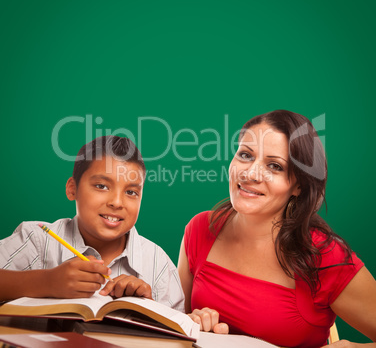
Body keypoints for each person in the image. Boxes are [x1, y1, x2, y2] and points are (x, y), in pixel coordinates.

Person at [178, 110, 376, 347]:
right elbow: (175, 326)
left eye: (274, 166)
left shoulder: (324, 255)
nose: (251, 173)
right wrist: (191, 322)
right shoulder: (200, 229)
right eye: (245, 155)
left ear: (298, 186)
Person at [0, 135, 184, 311]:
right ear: (73, 189)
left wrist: (148, 307)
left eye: (131, 192)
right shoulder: (37, 240)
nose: (117, 202)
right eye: (102, 186)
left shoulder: (158, 264)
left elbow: (181, 331)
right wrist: (46, 282)